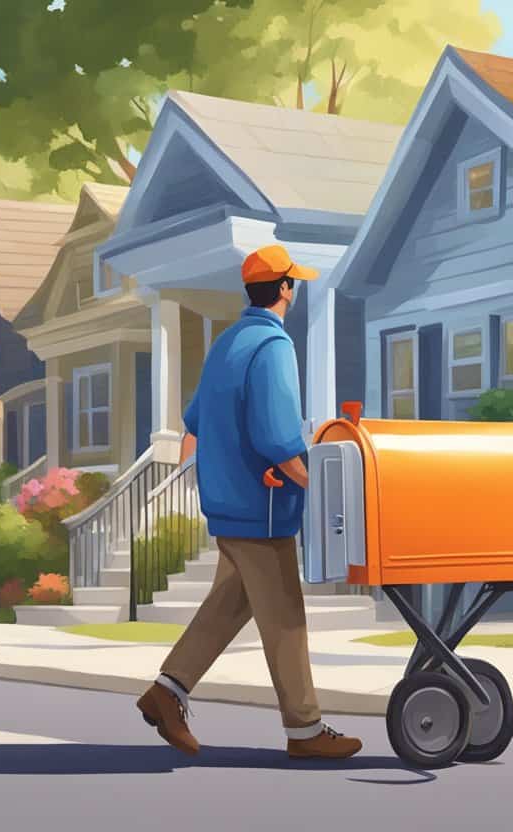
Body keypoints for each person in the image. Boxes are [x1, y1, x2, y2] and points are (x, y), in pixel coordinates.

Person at [137, 245, 362, 760]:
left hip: (228, 503)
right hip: (262, 507)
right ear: (285, 289)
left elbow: (193, 422)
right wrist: (323, 485)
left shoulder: (228, 343)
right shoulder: (273, 347)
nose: (294, 291)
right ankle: (305, 732)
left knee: (230, 604)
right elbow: (279, 438)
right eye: (293, 284)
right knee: (285, 616)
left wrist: (200, 480)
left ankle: (166, 693)